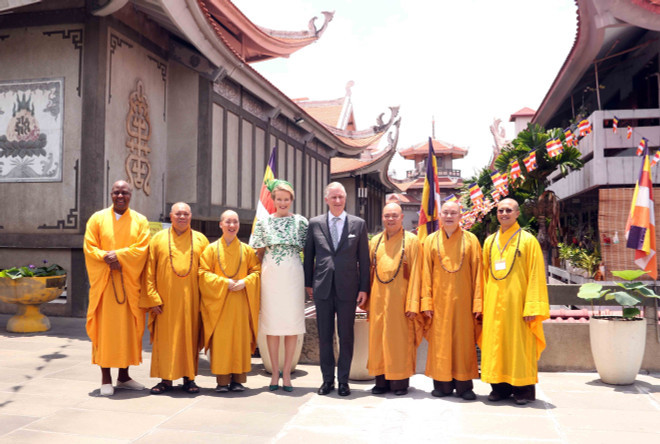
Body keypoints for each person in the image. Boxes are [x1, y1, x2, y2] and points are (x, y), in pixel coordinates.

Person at [83, 180, 150, 396]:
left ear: (131, 195)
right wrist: (105, 257)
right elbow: (89, 246)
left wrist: (119, 256)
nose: (120, 196)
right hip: (105, 286)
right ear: (110, 194)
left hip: (129, 286)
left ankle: (123, 376)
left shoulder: (140, 220)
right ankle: (105, 377)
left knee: (127, 332)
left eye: (125, 193)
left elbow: (142, 249)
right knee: (106, 332)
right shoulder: (97, 218)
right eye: (116, 192)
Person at [481, 198, 549, 405]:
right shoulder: (489, 242)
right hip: (494, 304)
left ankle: (523, 390)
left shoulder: (528, 241)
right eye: (500, 210)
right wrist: (481, 305)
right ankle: (499, 388)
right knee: (497, 346)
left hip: (519, 305)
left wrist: (533, 305)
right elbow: (484, 275)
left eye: (508, 210)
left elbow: (537, 275)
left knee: (519, 347)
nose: (504, 214)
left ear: (517, 213)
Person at [304, 182, 370, 397]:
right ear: (326, 200)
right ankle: (326, 380)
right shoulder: (315, 224)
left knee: (346, 335)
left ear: (345, 199)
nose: (338, 201)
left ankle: (343, 380)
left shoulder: (358, 224)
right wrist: (308, 284)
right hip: (322, 288)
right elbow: (309, 257)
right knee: (324, 336)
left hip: (348, 288)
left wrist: (363, 288)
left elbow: (364, 259)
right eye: (333, 197)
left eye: (341, 197)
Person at [141, 202, 209, 395]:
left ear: (191, 216)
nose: (182, 217)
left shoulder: (201, 240)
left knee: (189, 339)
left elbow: (208, 271)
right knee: (166, 341)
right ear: (170, 216)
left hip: (192, 301)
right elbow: (149, 270)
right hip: (164, 302)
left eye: (185, 214)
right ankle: (166, 380)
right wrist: (152, 298)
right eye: (178, 214)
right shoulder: (158, 239)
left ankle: (189, 378)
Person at [420, 200, 483, 400]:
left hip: (464, 303)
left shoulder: (471, 240)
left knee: (463, 344)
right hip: (438, 304)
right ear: (440, 216)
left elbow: (478, 275)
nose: (449, 216)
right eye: (445, 212)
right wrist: (426, 303)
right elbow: (425, 275)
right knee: (441, 344)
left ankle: (465, 386)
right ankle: (442, 385)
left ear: (460, 216)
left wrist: (478, 303)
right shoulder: (430, 240)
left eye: (453, 213)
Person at [250, 180, 308, 392]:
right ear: (273, 200)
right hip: (271, 275)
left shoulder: (301, 222)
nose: (282, 202)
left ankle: (287, 374)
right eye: (279, 199)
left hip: (293, 275)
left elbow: (307, 250)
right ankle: (274, 373)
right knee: (272, 328)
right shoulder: (263, 223)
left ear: (291, 200)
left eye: (286, 199)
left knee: (291, 327)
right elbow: (258, 252)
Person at [198, 210, 261, 392]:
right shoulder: (210, 249)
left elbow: (256, 272)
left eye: (235, 222)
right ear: (221, 224)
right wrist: (224, 282)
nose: (232, 226)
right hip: (219, 305)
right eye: (228, 222)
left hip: (241, 304)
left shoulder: (247, 250)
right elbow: (202, 273)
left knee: (239, 341)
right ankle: (222, 381)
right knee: (222, 342)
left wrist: (245, 282)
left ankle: (238, 380)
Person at [366, 202, 422, 396]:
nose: (390, 219)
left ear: (401, 218)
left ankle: (399, 382)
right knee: (379, 341)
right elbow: (368, 273)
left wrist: (413, 302)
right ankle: (380, 381)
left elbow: (417, 273)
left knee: (398, 342)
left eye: (394, 216)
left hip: (401, 301)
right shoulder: (375, 242)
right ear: (382, 218)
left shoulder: (412, 241)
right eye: (387, 216)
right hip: (378, 300)